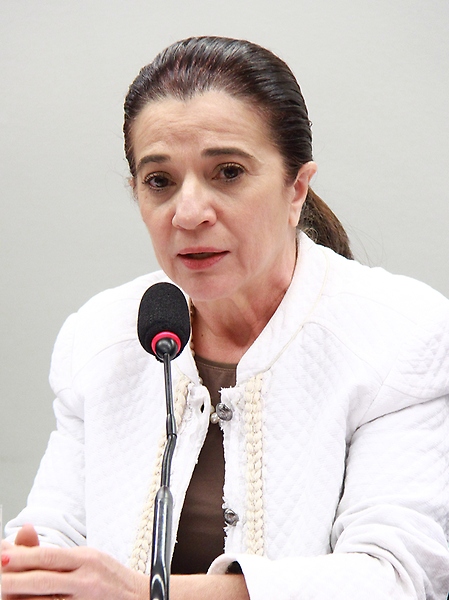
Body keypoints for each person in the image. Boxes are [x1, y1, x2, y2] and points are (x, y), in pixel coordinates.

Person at [2, 36, 449, 600]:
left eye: (229, 172)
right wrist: (30, 572)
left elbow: (394, 578)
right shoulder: (99, 335)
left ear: (296, 189)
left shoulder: (404, 335)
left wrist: (145, 595)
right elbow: (51, 533)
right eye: (160, 181)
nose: (188, 213)